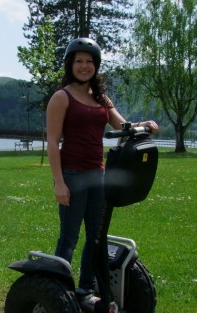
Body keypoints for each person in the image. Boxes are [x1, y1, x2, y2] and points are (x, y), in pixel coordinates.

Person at [46, 37, 158, 296]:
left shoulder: (101, 98)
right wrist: (59, 182)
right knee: (69, 238)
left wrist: (146, 125)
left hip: (99, 176)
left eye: (89, 62)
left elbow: (123, 127)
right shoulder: (61, 97)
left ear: (96, 66)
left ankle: (86, 287)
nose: (84, 66)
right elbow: (52, 142)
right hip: (72, 176)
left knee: (96, 238)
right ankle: (56, 292)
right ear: (70, 65)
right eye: (79, 61)